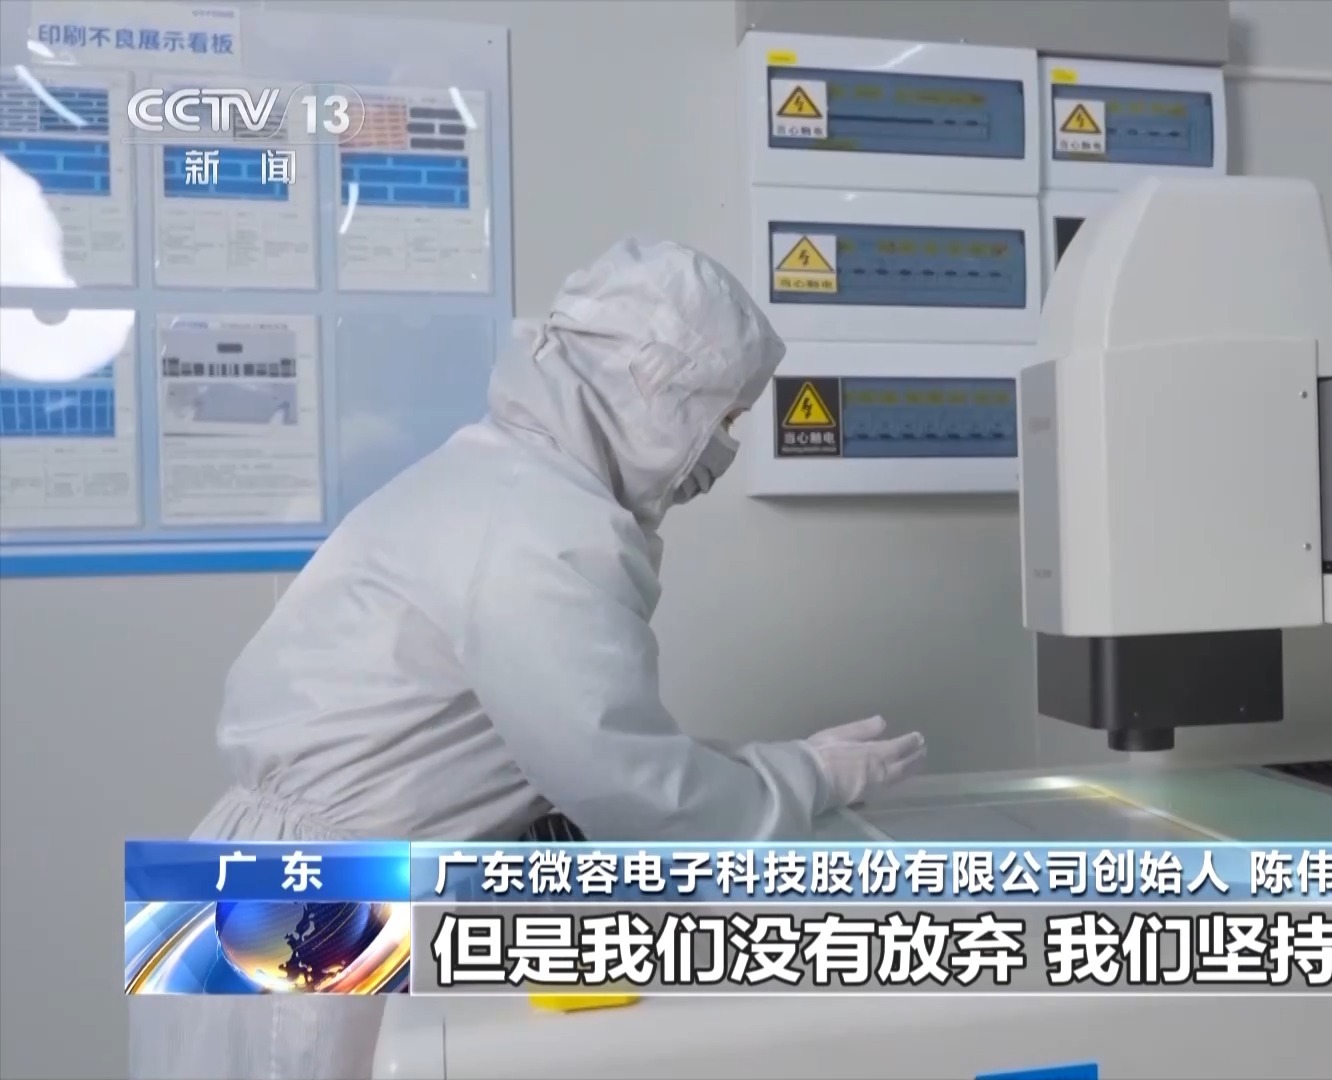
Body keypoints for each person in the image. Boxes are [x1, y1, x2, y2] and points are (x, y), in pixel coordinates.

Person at [128, 238, 928, 1079]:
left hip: (271, 882)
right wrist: (807, 778)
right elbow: (630, 787)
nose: (724, 454)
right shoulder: (544, 528)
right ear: (657, 392)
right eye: (724, 419)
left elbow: (565, 748)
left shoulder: (502, 478)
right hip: (317, 913)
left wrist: (759, 767)